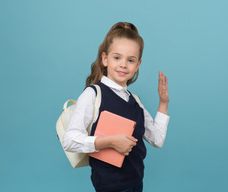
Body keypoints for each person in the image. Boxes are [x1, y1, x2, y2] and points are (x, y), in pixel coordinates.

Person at [63, 22, 170, 192]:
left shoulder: (135, 101)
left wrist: (163, 103)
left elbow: (157, 140)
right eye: (117, 57)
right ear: (105, 59)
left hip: (136, 183)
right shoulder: (94, 94)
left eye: (130, 60)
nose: (123, 65)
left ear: (138, 65)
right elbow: (69, 140)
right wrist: (110, 141)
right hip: (111, 188)